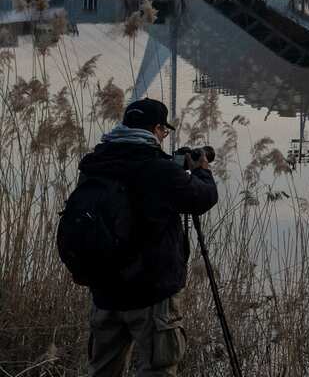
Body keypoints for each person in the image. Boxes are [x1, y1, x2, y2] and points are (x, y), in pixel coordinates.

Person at [74, 98, 218, 377]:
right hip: (151, 292)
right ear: (156, 129)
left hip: (105, 291)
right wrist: (201, 170)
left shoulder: (96, 164)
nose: (163, 138)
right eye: (163, 131)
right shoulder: (158, 169)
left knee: (102, 371)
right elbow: (202, 198)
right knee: (157, 369)